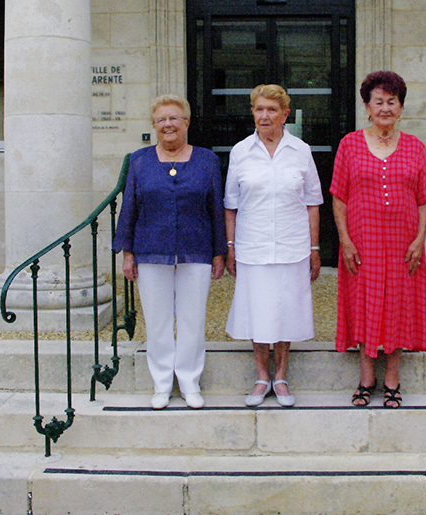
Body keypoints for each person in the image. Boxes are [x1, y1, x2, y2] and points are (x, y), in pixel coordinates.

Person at [330, 71, 426, 408]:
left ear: (401, 107)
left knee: (398, 305)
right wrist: (345, 240)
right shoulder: (349, 144)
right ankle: (367, 378)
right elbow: (339, 197)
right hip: (363, 243)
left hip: (403, 244)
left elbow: (424, 199)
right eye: (378, 101)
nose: (385, 108)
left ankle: (392, 378)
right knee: (363, 303)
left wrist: (419, 240)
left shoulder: (415, 147)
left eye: (392, 101)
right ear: (367, 107)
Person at [113, 94, 227, 410]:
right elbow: (130, 206)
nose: (168, 124)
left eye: (174, 118)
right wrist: (127, 252)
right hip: (150, 250)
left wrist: (219, 252)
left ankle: (190, 382)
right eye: (161, 119)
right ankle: (162, 384)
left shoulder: (206, 160)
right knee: (157, 322)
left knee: (192, 321)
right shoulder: (139, 160)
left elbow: (215, 207)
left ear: (186, 122)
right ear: (154, 125)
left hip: (196, 249)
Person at [224, 84, 323, 407]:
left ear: (285, 114)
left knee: (285, 311)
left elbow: (312, 202)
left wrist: (314, 249)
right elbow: (231, 204)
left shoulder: (301, 151)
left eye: (271, 110)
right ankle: (261, 376)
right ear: (252, 112)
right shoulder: (241, 151)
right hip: (252, 244)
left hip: (292, 245)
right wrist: (230, 246)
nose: (264, 115)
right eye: (259, 109)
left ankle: (280, 376)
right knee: (258, 311)